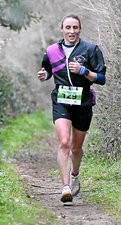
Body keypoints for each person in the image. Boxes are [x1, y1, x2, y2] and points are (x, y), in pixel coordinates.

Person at [37, 14, 106, 205]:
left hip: (83, 101)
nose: (71, 31)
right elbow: (48, 70)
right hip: (61, 100)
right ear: (62, 29)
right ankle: (65, 186)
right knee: (64, 142)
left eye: (75, 28)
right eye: (68, 27)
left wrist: (84, 71)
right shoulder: (51, 50)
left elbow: (102, 78)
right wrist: (44, 75)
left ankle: (75, 175)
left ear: (80, 30)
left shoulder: (91, 50)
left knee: (76, 148)